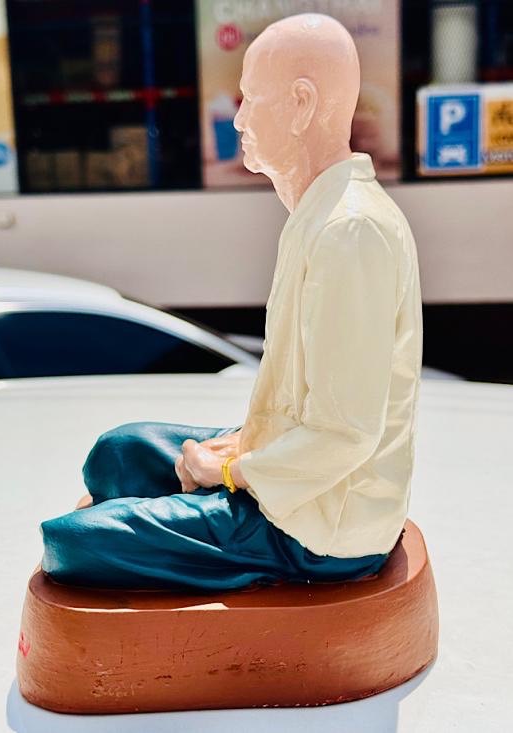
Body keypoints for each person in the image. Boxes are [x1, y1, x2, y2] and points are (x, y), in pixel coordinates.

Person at [41, 13, 422, 591]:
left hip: (319, 527)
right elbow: (306, 402)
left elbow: (345, 434)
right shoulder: (319, 214)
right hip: (293, 474)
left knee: (69, 542)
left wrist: (229, 471)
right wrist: (243, 442)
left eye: (250, 99)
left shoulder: (349, 232)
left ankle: (232, 543)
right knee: (118, 453)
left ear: (300, 105)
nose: (238, 119)